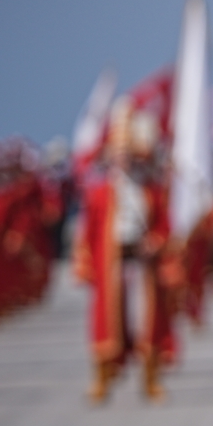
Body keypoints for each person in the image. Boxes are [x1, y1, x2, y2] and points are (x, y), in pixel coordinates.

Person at [73, 104, 175, 404]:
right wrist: (86, 263)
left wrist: (155, 242)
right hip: (111, 264)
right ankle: (102, 380)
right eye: (119, 154)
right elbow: (88, 231)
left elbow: (164, 225)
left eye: (128, 154)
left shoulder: (151, 190)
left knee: (146, 321)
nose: (124, 159)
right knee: (107, 321)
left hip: (142, 264)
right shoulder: (99, 192)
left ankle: (151, 380)